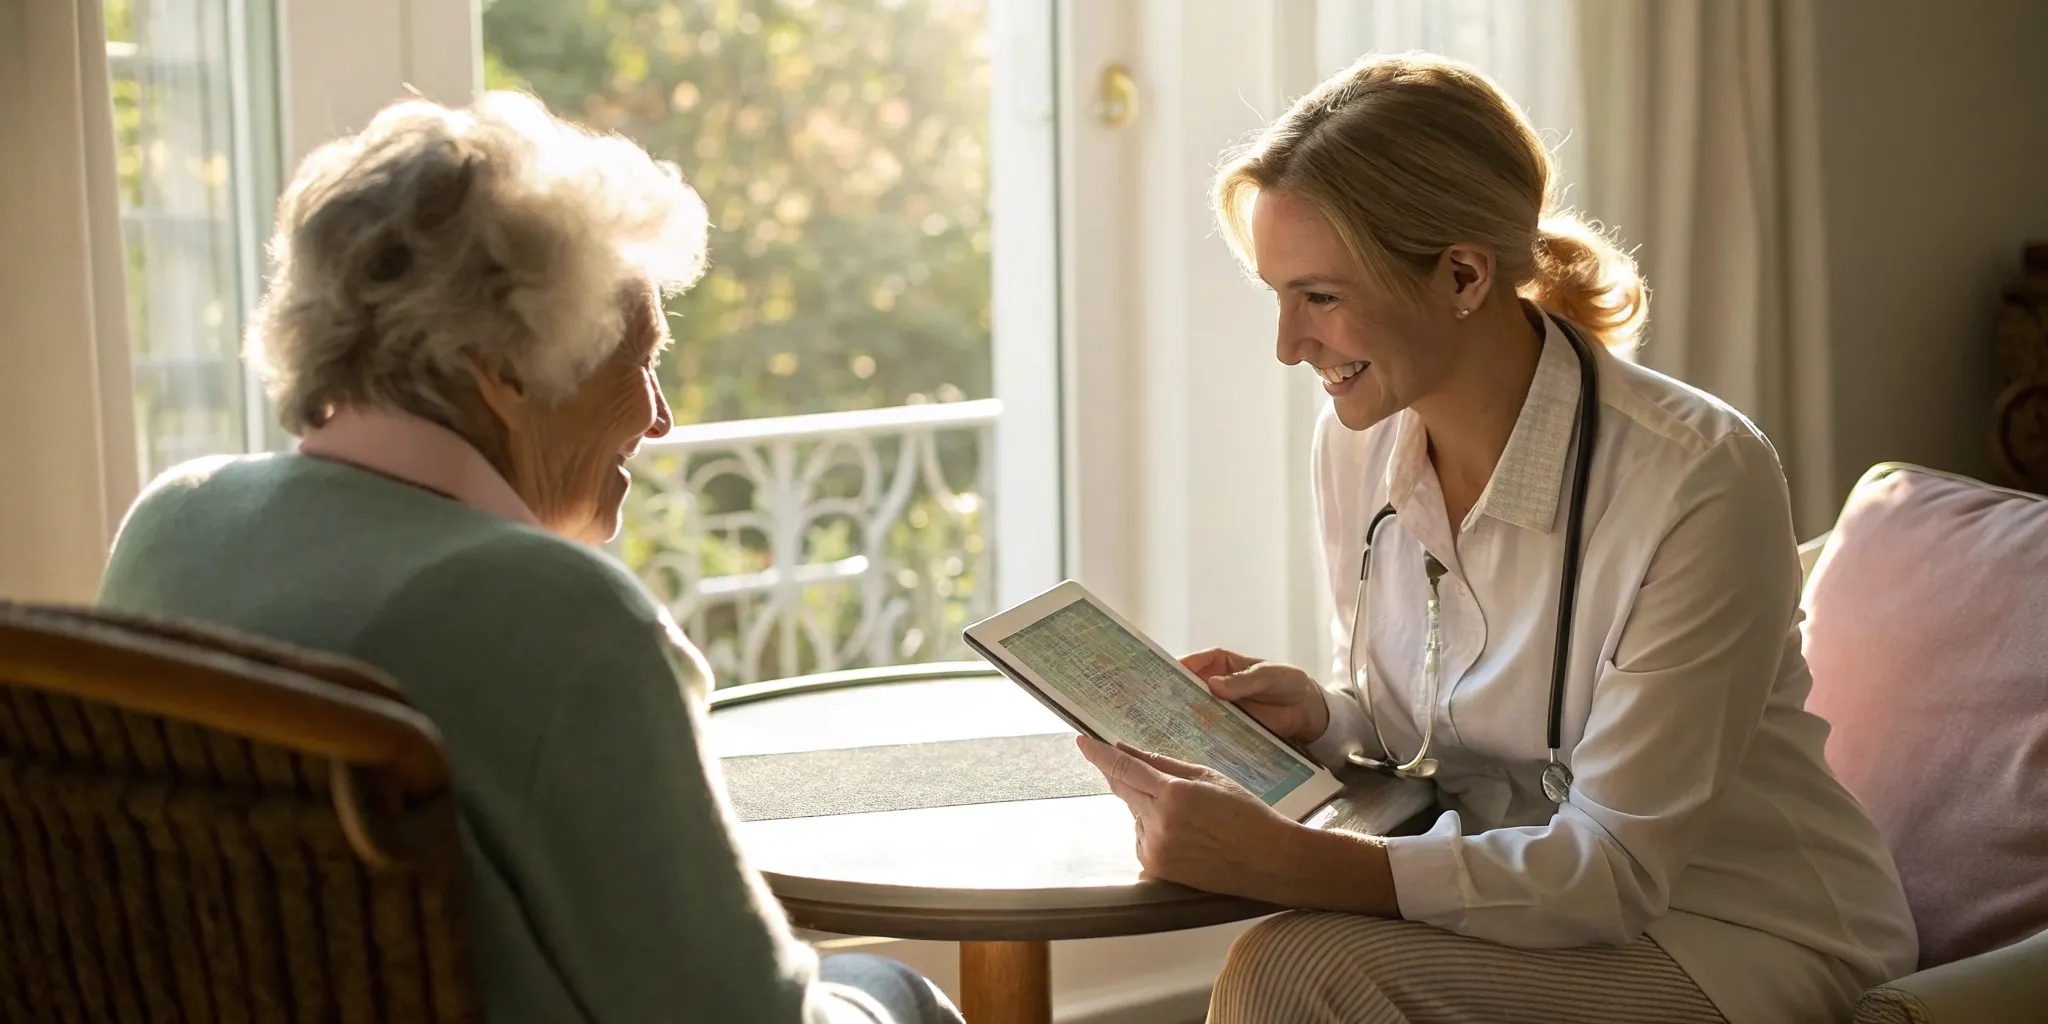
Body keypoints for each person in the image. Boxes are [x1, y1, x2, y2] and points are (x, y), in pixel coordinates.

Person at [1073, 53, 1917, 1023]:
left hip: (1734, 935)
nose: (1287, 346)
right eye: (1277, 295)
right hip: (1521, 909)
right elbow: (1441, 730)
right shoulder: (1356, 441)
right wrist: (1325, 718)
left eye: (1320, 297)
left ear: (1463, 275)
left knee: (1295, 970)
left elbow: (1613, 870)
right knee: (1294, 963)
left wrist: (1287, 859)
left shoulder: (1697, 479)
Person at [97, 92, 961, 1024]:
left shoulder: (172, 523)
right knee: (896, 994)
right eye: (637, 357)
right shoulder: (557, 617)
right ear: (503, 369)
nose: (660, 417)